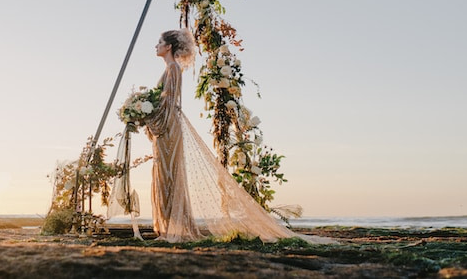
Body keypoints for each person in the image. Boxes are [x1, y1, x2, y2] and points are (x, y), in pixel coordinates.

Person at [137, 29, 331, 243]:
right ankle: (167, 228)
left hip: (169, 127)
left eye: (159, 42)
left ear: (168, 47)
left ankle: (174, 230)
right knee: (164, 174)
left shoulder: (173, 69)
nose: (156, 46)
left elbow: (168, 103)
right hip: (166, 127)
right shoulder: (169, 69)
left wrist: (145, 115)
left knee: (169, 174)